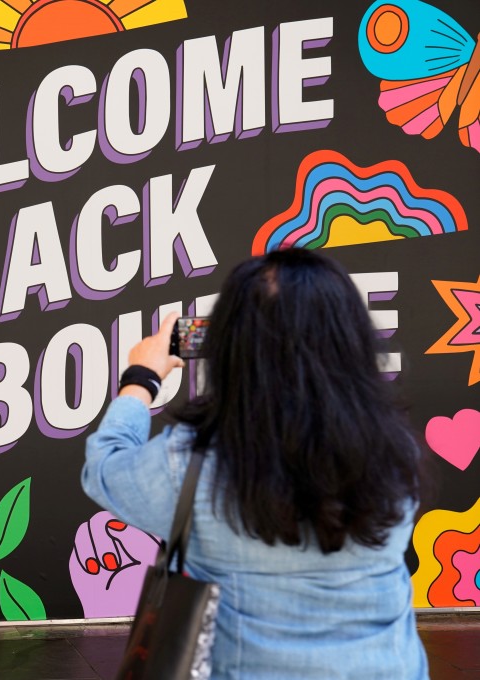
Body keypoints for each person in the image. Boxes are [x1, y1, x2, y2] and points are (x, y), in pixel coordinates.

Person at [82, 248, 427, 679]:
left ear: (230, 344)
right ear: (349, 338)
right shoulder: (396, 453)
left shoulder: (189, 459)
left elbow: (104, 469)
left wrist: (142, 378)